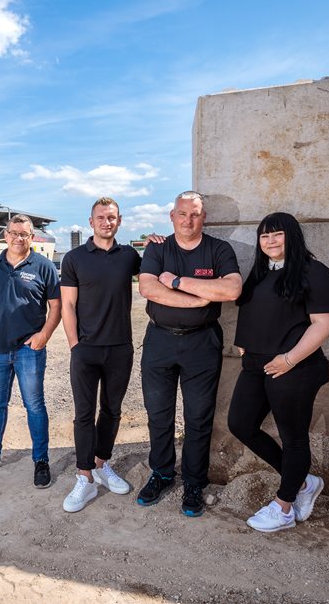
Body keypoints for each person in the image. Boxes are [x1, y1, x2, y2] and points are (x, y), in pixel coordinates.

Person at [227, 212, 329, 533]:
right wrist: (244, 344)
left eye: (277, 235)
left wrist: (289, 359)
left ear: (292, 236)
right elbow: (254, 312)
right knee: (241, 424)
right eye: (264, 236)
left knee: (293, 439)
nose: (270, 241)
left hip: (295, 368)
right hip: (255, 366)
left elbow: (323, 324)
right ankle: (303, 481)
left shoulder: (314, 272)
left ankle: (285, 506)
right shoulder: (261, 272)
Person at [137, 191, 242, 517]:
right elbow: (148, 288)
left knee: (198, 417)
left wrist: (178, 281)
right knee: (158, 413)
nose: (188, 220)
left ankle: (194, 482)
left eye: (194, 214)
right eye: (182, 214)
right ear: (172, 216)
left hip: (202, 344)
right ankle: (163, 473)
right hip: (160, 341)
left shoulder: (218, 249)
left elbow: (232, 289)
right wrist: (197, 297)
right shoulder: (157, 247)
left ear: (204, 216)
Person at [59, 197, 142, 513]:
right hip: (85, 349)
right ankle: (85, 478)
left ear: (119, 221)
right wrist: (74, 344)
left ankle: (101, 464)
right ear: (91, 221)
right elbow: (67, 305)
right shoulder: (75, 258)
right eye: (101, 217)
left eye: (112, 217)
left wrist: (159, 243)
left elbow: (153, 274)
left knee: (112, 410)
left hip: (120, 347)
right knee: (83, 413)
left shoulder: (130, 256)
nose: (107, 222)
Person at [0, 214, 62, 488]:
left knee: (34, 405)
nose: (18, 238)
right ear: (5, 235)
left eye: (24, 234)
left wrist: (44, 335)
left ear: (32, 237)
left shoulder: (43, 267)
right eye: (13, 233)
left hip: (28, 350)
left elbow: (56, 306)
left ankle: (41, 460)